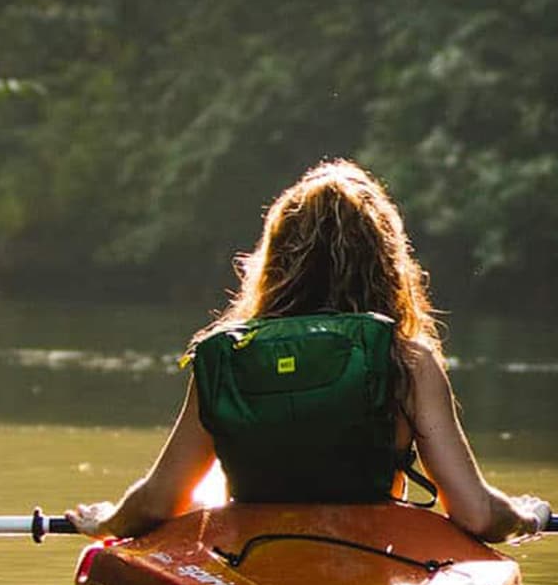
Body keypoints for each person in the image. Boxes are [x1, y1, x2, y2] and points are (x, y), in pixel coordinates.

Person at [67, 159, 550, 542]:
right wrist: (526, 516)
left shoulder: (228, 358)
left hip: (251, 558)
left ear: (275, 259)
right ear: (386, 263)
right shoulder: (407, 362)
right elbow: (476, 514)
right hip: (374, 558)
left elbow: (157, 502)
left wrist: (108, 521)